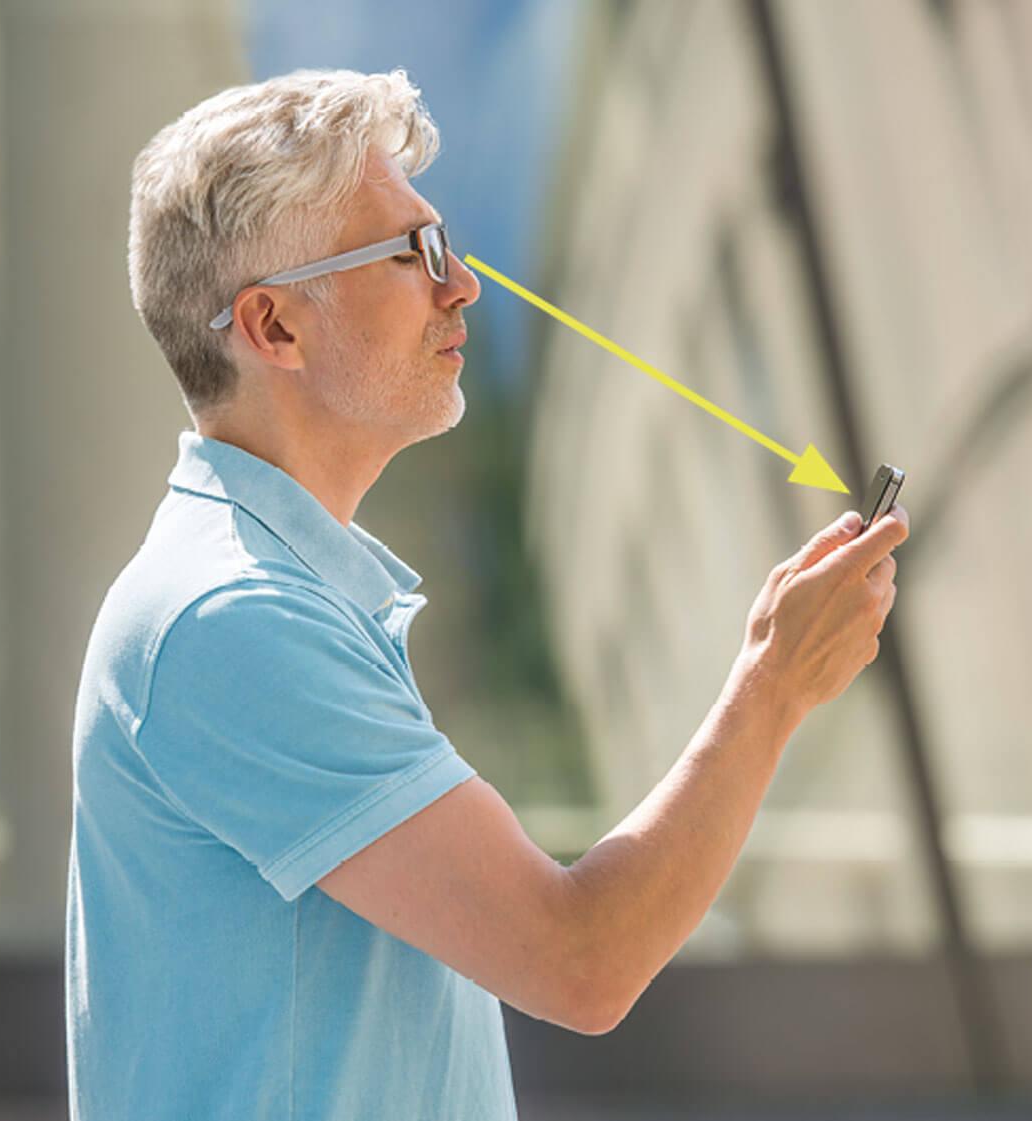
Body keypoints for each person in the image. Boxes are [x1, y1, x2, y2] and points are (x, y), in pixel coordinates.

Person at [65, 68, 909, 1121]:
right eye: (411, 252)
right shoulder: (234, 619)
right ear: (272, 327)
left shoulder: (259, 594)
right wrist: (773, 683)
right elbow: (579, 957)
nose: (461, 284)